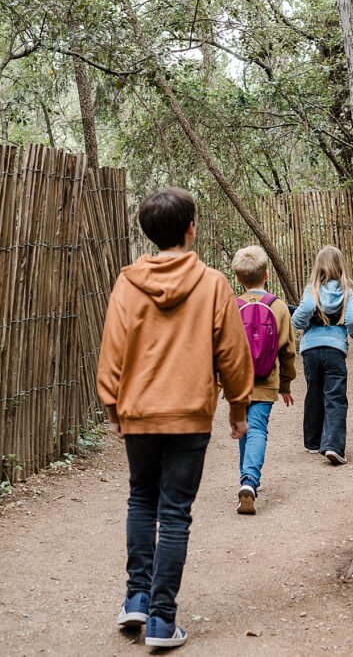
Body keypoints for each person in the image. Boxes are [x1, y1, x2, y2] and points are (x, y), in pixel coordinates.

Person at [97, 187, 253, 649]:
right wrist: (238, 410)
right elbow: (233, 354)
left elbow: (112, 350)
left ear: (148, 232)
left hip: (139, 413)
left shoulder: (128, 283)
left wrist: (113, 408)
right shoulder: (211, 283)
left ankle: (137, 599)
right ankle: (162, 621)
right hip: (189, 416)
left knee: (141, 500)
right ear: (191, 227)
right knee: (175, 513)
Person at [229, 246, 296, 515]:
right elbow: (288, 350)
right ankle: (249, 481)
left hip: (237, 382)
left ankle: (247, 479)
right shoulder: (278, 307)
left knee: (245, 428)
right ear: (267, 274)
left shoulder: (231, 307)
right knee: (256, 428)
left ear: (238, 278)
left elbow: (223, 348)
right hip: (266, 381)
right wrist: (286, 384)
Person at [290, 246, 353, 465]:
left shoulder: (311, 289)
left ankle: (313, 442)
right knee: (335, 396)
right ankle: (332, 445)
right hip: (335, 350)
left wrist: (301, 323)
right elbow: (352, 320)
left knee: (314, 392)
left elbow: (301, 314)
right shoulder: (347, 291)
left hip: (310, 350)